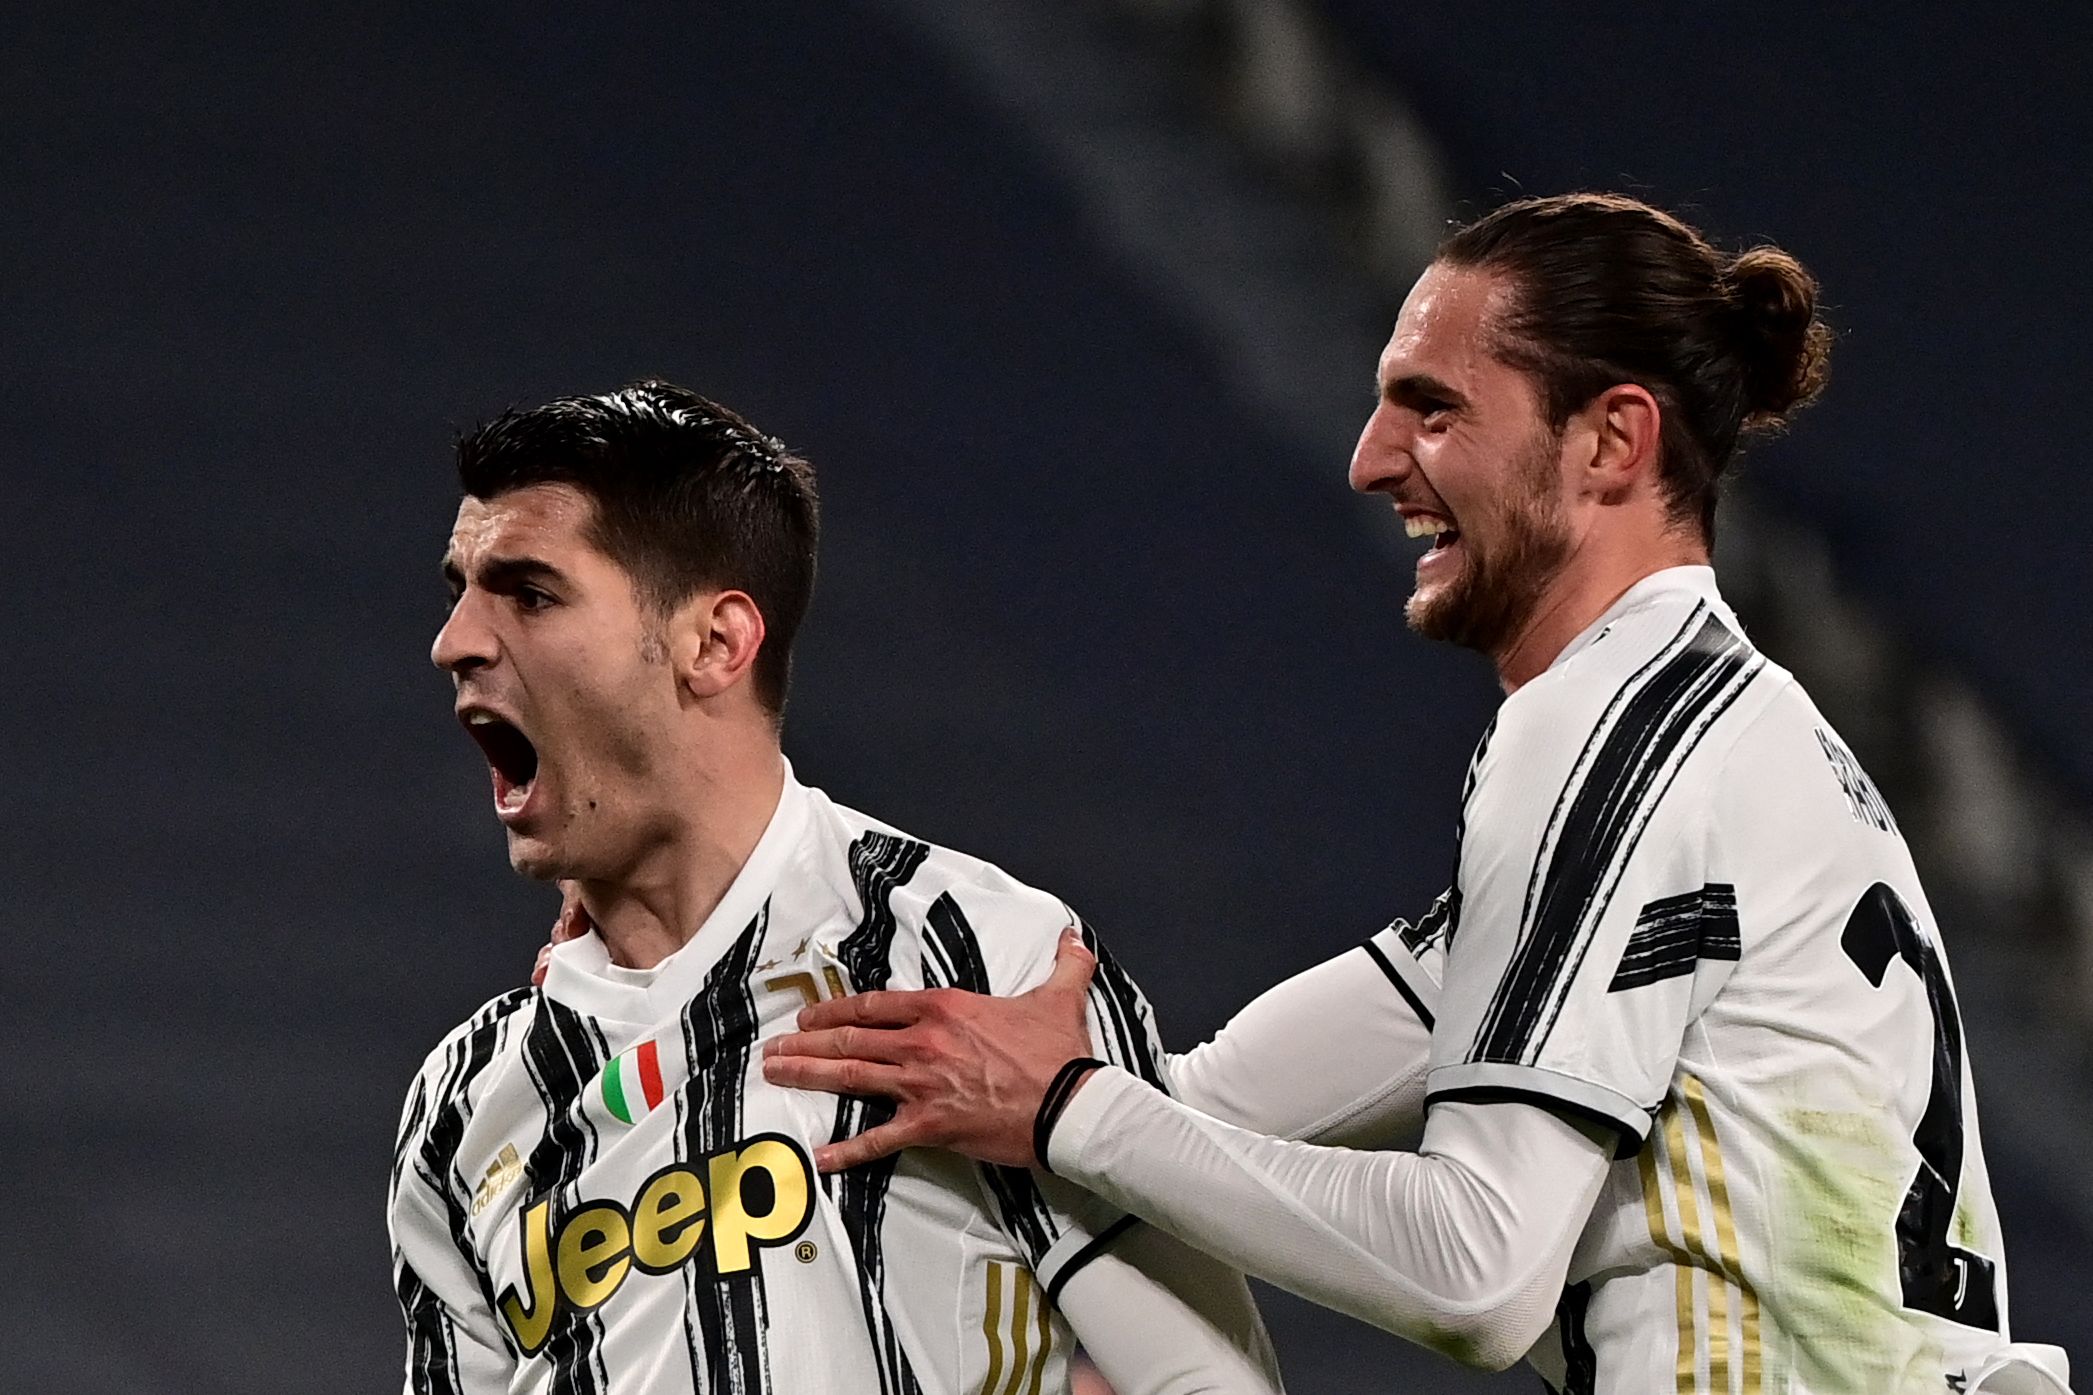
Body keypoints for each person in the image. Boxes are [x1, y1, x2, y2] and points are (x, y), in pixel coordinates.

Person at [760, 194, 2075, 1395]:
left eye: (1431, 407)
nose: (1371, 457)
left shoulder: (1609, 732)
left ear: (1612, 438)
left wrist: (1065, 1107)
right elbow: (1194, 1109)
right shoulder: (1700, 733)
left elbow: (1477, 1270)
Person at [388, 382, 1283, 1395]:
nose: (454, 640)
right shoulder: (466, 1102)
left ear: (716, 644)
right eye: (460, 589)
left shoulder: (977, 960)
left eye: (531, 593)